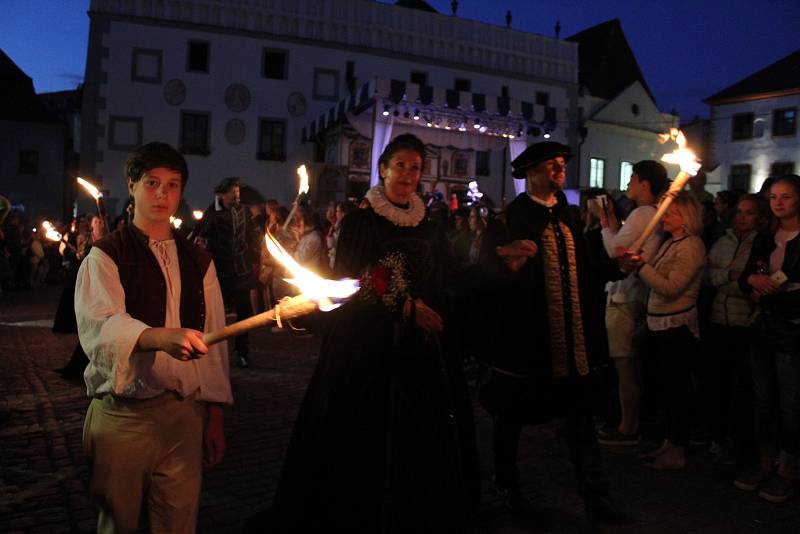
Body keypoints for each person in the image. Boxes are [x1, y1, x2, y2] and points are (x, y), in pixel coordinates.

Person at [264, 134, 480, 532]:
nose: (408, 175)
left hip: (419, 350)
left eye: (415, 168)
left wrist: (492, 262)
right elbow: (353, 279)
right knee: (362, 434)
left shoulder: (429, 226)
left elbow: (447, 277)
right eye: (401, 166)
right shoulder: (361, 222)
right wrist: (405, 306)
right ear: (383, 169)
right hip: (367, 343)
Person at [75, 142, 232, 532]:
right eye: (152, 183)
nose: (163, 194)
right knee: (119, 522)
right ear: (132, 186)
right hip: (123, 413)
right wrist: (156, 337)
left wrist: (214, 415)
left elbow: (213, 341)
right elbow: (101, 326)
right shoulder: (106, 255)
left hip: (183, 414)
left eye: (173, 185)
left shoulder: (199, 260)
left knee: (178, 523)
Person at [477, 141, 626, 524]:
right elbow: (484, 279)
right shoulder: (508, 221)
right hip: (527, 345)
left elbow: (589, 270)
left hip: (572, 343)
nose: (560, 171)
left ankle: (598, 498)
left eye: (562, 164)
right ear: (531, 173)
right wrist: (505, 263)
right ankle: (506, 489)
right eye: (551, 165)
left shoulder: (571, 217)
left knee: (579, 422)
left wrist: (618, 266)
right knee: (511, 420)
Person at [621, 192, 706, 470]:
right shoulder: (672, 242)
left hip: (676, 329)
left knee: (677, 391)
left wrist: (643, 267)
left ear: (685, 218)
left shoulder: (692, 246)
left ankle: (677, 450)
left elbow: (670, 288)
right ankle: (668, 444)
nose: (664, 217)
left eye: (669, 213)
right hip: (659, 325)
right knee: (665, 390)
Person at [734, 174, 800, 504]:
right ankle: (765, 462)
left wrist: (768, 297)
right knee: (764, 400)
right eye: (774, 197)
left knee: (790, 403)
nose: (778, 203)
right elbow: (746, 278)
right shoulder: (764, 238)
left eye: (786, 197)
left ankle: (787, 471)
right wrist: (753, 280)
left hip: (791, 331)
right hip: (762, 330)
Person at [595, 161, 668, 445]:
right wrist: (612, 220)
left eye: (632, 179)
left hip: (623, 296)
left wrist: (603, 226)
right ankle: (631, 422)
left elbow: (616, 249)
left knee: (624, 366)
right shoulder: (650, 215)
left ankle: (628, 427)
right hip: (635, 296)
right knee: (629, 365)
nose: (628, 184)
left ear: (645, 184)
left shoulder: (641, 214)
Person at [706, 194, 764, 465]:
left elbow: (752, 287)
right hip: (719, 322)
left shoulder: (762, 245)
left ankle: (739, 444)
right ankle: (718, 437)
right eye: (739, 212)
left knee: (742, 389)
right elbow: (709, 275)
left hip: (744, 325)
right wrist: (732, 276)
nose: (742, 217)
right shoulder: (723, 241)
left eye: (749, 213)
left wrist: (732, 277)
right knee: (718, 384)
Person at [195, 177, 262, 368]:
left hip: (241, 269)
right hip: (221, 271)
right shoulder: (212, 213)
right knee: (215, 312)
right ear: (222, 194)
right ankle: (209, 350)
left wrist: (256, 245)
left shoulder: (244, 212)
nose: (236, 195)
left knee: (245, 312)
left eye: (238, 191)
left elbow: (253, 234)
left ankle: (242, 351)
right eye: (232, 192)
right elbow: (201, 235)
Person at [56, 213, 108, 380]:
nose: (99, 224)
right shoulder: (85, 239)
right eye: (96, 221)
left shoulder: (109, 240)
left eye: (100, 221)